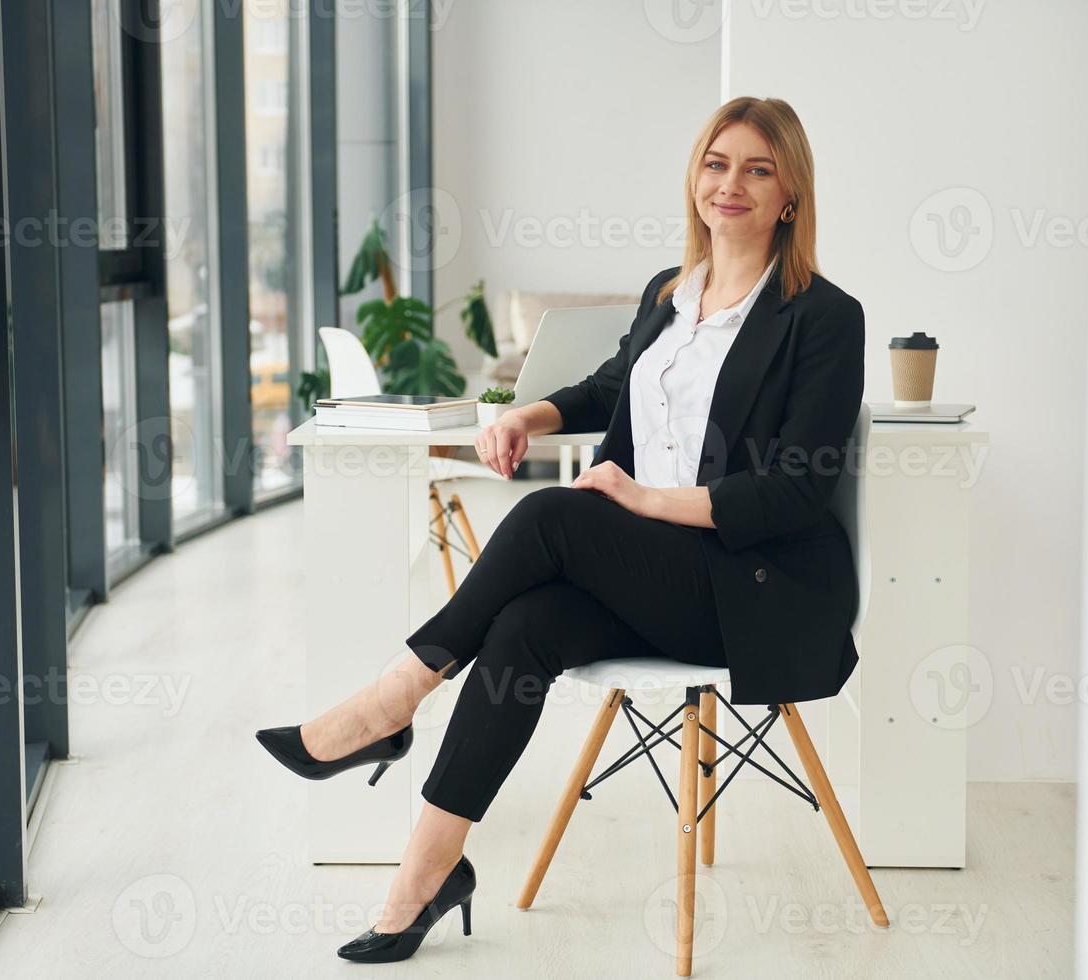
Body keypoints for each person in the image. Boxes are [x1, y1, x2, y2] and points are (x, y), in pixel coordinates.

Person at [257, 95, 865, 964]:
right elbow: (614, 384)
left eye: (758, 169)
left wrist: (649, 502)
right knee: (523, 630)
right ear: (696, 176)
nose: (731, 184)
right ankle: (425, 878)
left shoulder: (824, 316)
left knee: (553, 511)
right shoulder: (670, 291)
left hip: (750, 587)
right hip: (656, 573)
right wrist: (526, 416)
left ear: (791, 194)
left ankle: (392, 699)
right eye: (716, 162)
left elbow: (798, 491)